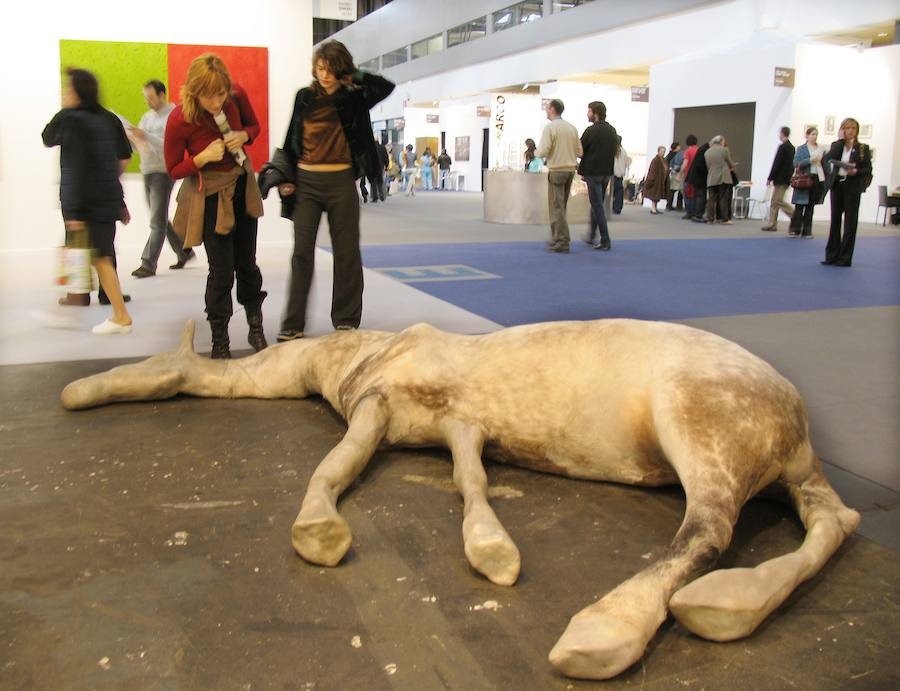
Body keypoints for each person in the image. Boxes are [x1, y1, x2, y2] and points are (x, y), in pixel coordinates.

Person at [276, 40, 395, 340]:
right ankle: (293, 324)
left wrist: (352, 75)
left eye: (330, 69)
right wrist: (286, 176)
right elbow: (292, 136)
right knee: (301, 253)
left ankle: (345, 320)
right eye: (319, 68)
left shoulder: (353, 97)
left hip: (341, 181)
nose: (324, 75)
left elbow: (385, 86)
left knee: (347, 253)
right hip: (307, 183)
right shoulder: (304, 97)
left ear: (340, 69)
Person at [165, 53, 267, 359]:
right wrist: (201, 159)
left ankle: (255, 325)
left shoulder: (236, 95)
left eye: (221, 93)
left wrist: (243, 135)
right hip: (209, 196)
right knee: (221, 271)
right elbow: (173, 169)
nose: (216, 101)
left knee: (246, 263)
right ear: (195, 91)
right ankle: (219, 339)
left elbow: (254, 126)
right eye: (209, 95)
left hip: (241, 188)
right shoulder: (180, 118)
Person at [42, 67, 133, 334]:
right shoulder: (109, 119)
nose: (64, 93)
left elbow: (49, 140)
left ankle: (114, 315)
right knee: (100, 256)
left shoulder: (70, 119)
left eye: (68, 89)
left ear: (78, 93)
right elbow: (124, 157)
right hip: (106, 199)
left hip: (84, 203)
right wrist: (117, 197)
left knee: (89, 256)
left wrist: (74, 211)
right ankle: (112, 313)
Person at [129, 80, 194, 279]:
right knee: (160, 218)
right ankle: (184, 251)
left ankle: (148, 263)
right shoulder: (147, 117)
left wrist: (145, 136)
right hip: (147, 170)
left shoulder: (173, 116)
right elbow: (139, 140)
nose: (147, 102)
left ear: (161, 95)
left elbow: (170, 146)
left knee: (156, 220)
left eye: (151, 97)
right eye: (145, 98)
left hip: (163, 172)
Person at [821, 117, 872, 267]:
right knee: (835, 221)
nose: (850, 131)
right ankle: (832, 256)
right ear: (843, 130)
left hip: (852, 186)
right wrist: (840, 140)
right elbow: (827, 159)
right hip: (838, 185)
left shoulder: (863, 148)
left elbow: (868, 169)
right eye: (847, 128)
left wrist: (856, 171)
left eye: (853, 128)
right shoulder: (837, 145)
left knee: (850, 223)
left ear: (857, 130)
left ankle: (845, 258)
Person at [535, 99, 582, 253]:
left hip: (556, 171)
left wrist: (535, 152)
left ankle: (562, 241)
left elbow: (543, 150)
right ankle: (557, 237)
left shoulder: (550, 128)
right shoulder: (572, 128)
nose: (546, 111)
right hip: (570, 170)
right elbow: (579, 151)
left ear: (553, 109)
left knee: (556, 207)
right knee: (562, 206)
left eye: (547, 108)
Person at [577, 100, 618, 250]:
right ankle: (591, 235)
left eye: (589, 111)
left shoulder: (590, 131)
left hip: (592, 172)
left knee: (597, 205)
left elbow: (580, 151)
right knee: (597, 204)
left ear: (595, 113)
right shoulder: (612, 130)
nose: (587, 114)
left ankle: (605, 239)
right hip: (606, 172)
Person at [789, 126, 826, 238]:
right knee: (800, 205)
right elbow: (796, 164)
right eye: (812, 134)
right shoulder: (801, 149)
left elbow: (826, 164)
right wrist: (810, 160)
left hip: (816, 178)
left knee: (810, 207)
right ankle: (795, 229)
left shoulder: (821, 149)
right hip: (804, 179)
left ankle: (807, 231)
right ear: (807, 135)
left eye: (816, 134)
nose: (814, 137)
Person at [761, 126, 796, 231]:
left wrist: (770, 177)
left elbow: (777, 163)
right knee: (775, 202)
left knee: (777, 201)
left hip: (780, 179)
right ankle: (772, 224)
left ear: (782, 133)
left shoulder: (783, 147)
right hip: (786, 178)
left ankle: (795, 216)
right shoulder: (792, 148)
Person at [704, 135, 736, 224]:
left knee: (711, 199)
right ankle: (724, 219)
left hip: (711, 177)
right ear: (721, 141)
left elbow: (708, 166)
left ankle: (710, 218)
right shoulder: (724, 150)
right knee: (723, 198)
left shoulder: (707, 152)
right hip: (723, 177)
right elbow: (730, 162)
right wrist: (733, 165)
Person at [686, 139, 710, 221]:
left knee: (692, 195)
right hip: (700, 178)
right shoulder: (703, 150)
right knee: (701, 196)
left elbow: (685, 163)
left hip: (693, 176)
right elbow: (701, 165)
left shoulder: (689, 151)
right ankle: (698, 214)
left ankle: (691, 213)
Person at [680, 134, 699, 219]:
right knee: (696, 194)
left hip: (688, 176)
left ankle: (689, 213)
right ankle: (696, 212)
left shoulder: (688, 151)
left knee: (687, 195)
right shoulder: (699, 150)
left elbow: (685, 163)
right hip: (698, 176)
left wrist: (680, 173)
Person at [644, 146, 668, 214]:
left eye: (664, 151)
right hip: (656, 180)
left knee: (657, 195)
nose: (663, 153)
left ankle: (655, 208)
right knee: (655, 195)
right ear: (658, 151)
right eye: (662, 151)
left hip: (661, 180)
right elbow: (652, 170)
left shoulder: (663, 160)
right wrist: (651, 179)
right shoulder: (656, 160)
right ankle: (653, 208)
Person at [612, 136, 631, 215]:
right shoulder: (624, 151)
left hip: (613, 174)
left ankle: (612, 207)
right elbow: (628, 163)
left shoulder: (612, 151)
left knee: (612, 193)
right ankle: (618, 208)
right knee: (619, 193)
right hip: (621, 175)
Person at [666, 142, 684, 211]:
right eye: (679, 146)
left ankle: (669, 205)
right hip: (676, 173)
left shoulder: (669, 155)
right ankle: (678, 205)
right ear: (676, 147)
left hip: (671, 174)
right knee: (680, 190)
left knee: (672, 191)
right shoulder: (677, 155)